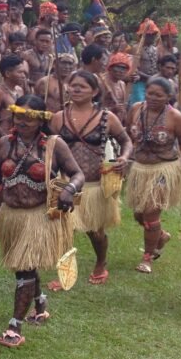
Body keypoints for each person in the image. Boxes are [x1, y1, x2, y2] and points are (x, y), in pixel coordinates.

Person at [0, 96, 83, 348]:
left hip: (38, 217)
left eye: (30, 118)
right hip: (11, 216)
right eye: (20, 117)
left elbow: (78, 174)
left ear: (41, 118)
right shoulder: (7, 143)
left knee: (25, 268)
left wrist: (69, 189)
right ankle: (40, 302)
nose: (24, 122)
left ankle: (15, 325)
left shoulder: (54, 145)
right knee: (24, 264)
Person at [50, 71, 132, 285]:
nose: (76, 89)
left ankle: (101, 262)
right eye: (73, 85)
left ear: (94, 91)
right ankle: (66, 274)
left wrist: (123, 157)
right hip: (66, 184)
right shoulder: (59, 117)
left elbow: (126, 141)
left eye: (82, 87)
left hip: (95, 184)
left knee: (95, 232)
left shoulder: (107, 117)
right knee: (63, 231)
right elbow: (48, 147)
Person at [125, 77, 181, 274]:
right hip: (140, 167)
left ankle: (148, 257)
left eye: (159, 95)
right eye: (150, 93)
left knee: (150, 212)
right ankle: (160, 235)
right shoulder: (136, 109)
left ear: (168, 97)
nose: (153, 98)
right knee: (139, 214)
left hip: (164, 169)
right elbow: (129, 136)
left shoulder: (176, 118)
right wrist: (125, 158)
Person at [0, 54, 29, 139]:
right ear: (8, 73)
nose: (23, 76)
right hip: (1, 139)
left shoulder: (19, 90)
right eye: (20, 72)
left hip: (17, 138)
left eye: (24, 72)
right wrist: (4, 138)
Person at [129, 18, 160, 105]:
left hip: (152, 83)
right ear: (143, 35)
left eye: (154, 34)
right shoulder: (136, 48)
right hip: (139, 82)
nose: (153, 37)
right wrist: (148, 77)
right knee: (139, 105)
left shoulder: (155, 49)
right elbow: (134, 69)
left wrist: (154, 78)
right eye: (150, 35)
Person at [103, 52, 132, 118]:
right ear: (110, 68)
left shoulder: (122, 84)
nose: (121, 71)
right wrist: (112, 109)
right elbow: (95, 107)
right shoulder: (102, 82)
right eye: (118, 67)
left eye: (124, 68)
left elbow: (123, 106)